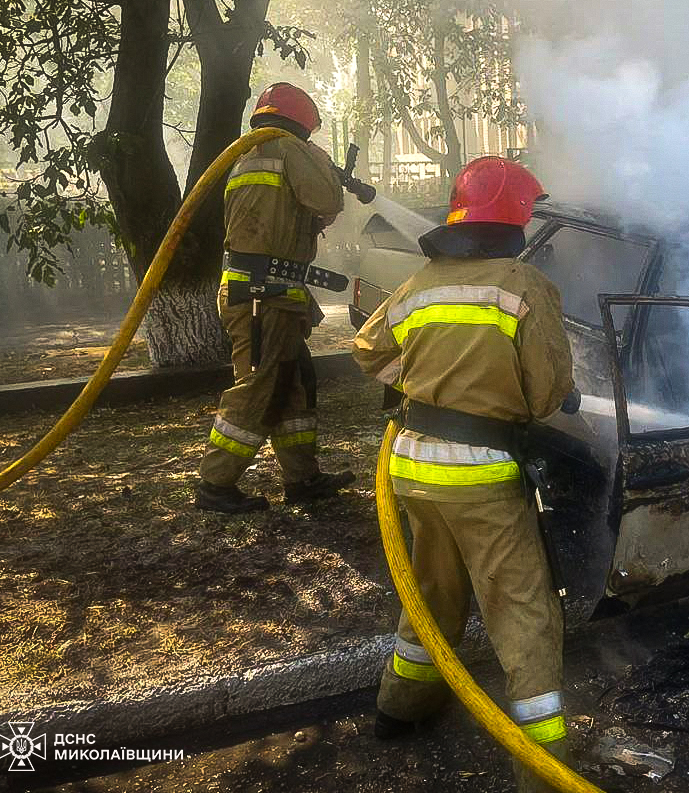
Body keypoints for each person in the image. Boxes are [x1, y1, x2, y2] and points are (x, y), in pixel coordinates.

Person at [352, 156, 578, 792]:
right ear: (516, 220)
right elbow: (545, 394)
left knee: (431, 594)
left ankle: (399, 709)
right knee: (523, 614)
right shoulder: (523, 285)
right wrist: (504, 399)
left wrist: (426, 392)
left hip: (412, 469)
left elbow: (367, 350)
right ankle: (543, 771)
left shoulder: (421, 282)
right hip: (481, 478)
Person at [194, 82, 355, 514]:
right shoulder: (289, 150)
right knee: (259, 385)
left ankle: (303, 479)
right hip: (263, 296)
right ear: (303, 125)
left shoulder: (248, 156)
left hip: (264, 291)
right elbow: (327, 198)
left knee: (291, 385)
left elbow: (274, 219)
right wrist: (320, 162)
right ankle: (215, 483)